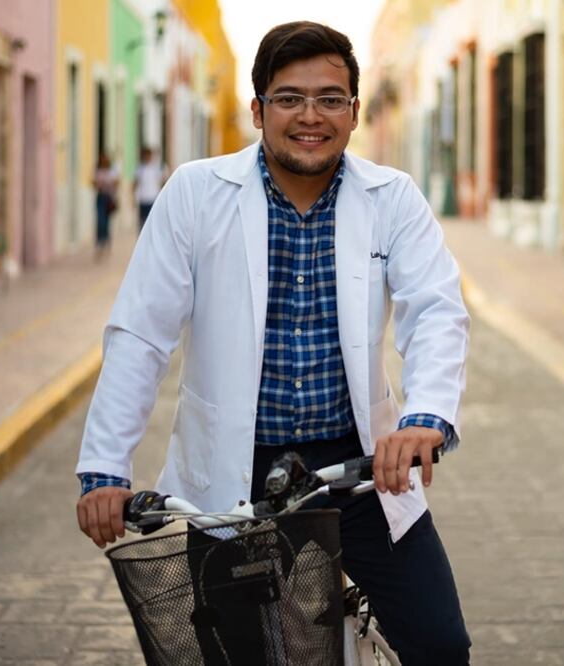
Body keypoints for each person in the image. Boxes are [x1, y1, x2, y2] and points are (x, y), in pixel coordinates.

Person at [76, 21, 472, 664]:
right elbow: (141, 332)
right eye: (289, 98)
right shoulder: (196, 194)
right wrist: (104, 471)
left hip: (361, 471)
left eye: (329, 98)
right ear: (258, 109)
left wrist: (425, 418)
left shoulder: (392, 199)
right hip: (237, 474)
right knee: (243, 655)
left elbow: (435, 311)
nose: (309, 116)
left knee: (439, 644)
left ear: (353, 112)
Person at [92, 153, 119, 261]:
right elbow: (93, 183)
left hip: (109, 199)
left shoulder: (112, 171)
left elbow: (117, 183)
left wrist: (110, 184)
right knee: (100, 221)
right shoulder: (97, 171)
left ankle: (106, 242)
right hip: (100, 197)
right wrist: (99, 184)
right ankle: (99, 243)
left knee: (106, 222)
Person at [132, 146, 165, 233]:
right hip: (143, 199)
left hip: (153, 198)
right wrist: (133, 198)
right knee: (142, 222)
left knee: (152, 222)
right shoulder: (139, 168)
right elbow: (135, 183)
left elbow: (162, 182)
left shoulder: (156, 168)